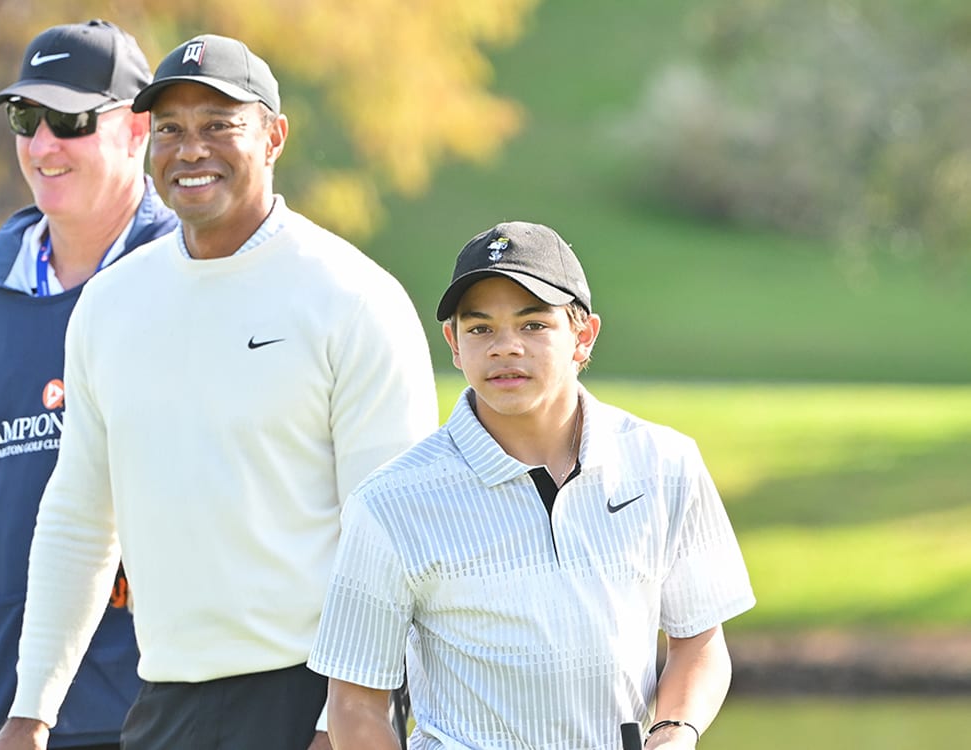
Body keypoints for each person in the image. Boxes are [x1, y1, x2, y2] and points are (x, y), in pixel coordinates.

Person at [0, 33, 438, 750]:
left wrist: (341, 720)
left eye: (219, 125)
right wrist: (30, 711)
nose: (190, 149)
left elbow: (394, 540)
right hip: (167, 700)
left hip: (316, 697)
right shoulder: (109, 306)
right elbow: (78, 519)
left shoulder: (353, 299)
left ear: (274, 137)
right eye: (170, 129)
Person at [309, 221, 756, 750]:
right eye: (480, 329)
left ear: (582, 336)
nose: (505, 348)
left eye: (533, 325)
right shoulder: (389, 503)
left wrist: (675, 732)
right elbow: (355, 703)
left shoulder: (665, 464)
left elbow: (698, 641)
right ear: (453, 343)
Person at [0, 19, 177, 750]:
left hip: (139, 706)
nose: (42, 145)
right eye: (27, 118)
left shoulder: (190, 275)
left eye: (72, 120)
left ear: (138, 130)